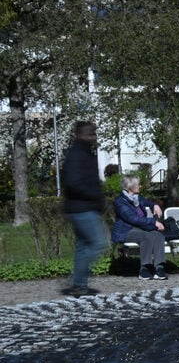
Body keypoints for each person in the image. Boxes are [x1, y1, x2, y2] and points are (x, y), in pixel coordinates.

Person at [61, 121, 109, 297]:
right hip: (82, 207)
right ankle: (78, 277)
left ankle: (79, 285)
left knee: (83, 246)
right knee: (98, 243)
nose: (93, 137)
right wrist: (94, 196)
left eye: (94, 133)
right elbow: (73, 183)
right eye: (89, 134)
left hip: (82, 206)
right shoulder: (77, 154)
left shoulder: (85, 153)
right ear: (79, 134)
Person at [111, 173, 169, 280]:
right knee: (146, 237)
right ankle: (144, 269)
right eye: (138, 184)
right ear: (130, 187)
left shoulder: (137, 198)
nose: (140, 186)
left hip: (140, 228)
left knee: (158, 236)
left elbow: (147, 202)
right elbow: (133, 219)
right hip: (125, 230)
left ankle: (159, 268)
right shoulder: (120, 202)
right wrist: (154, 222)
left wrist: (155, 205)